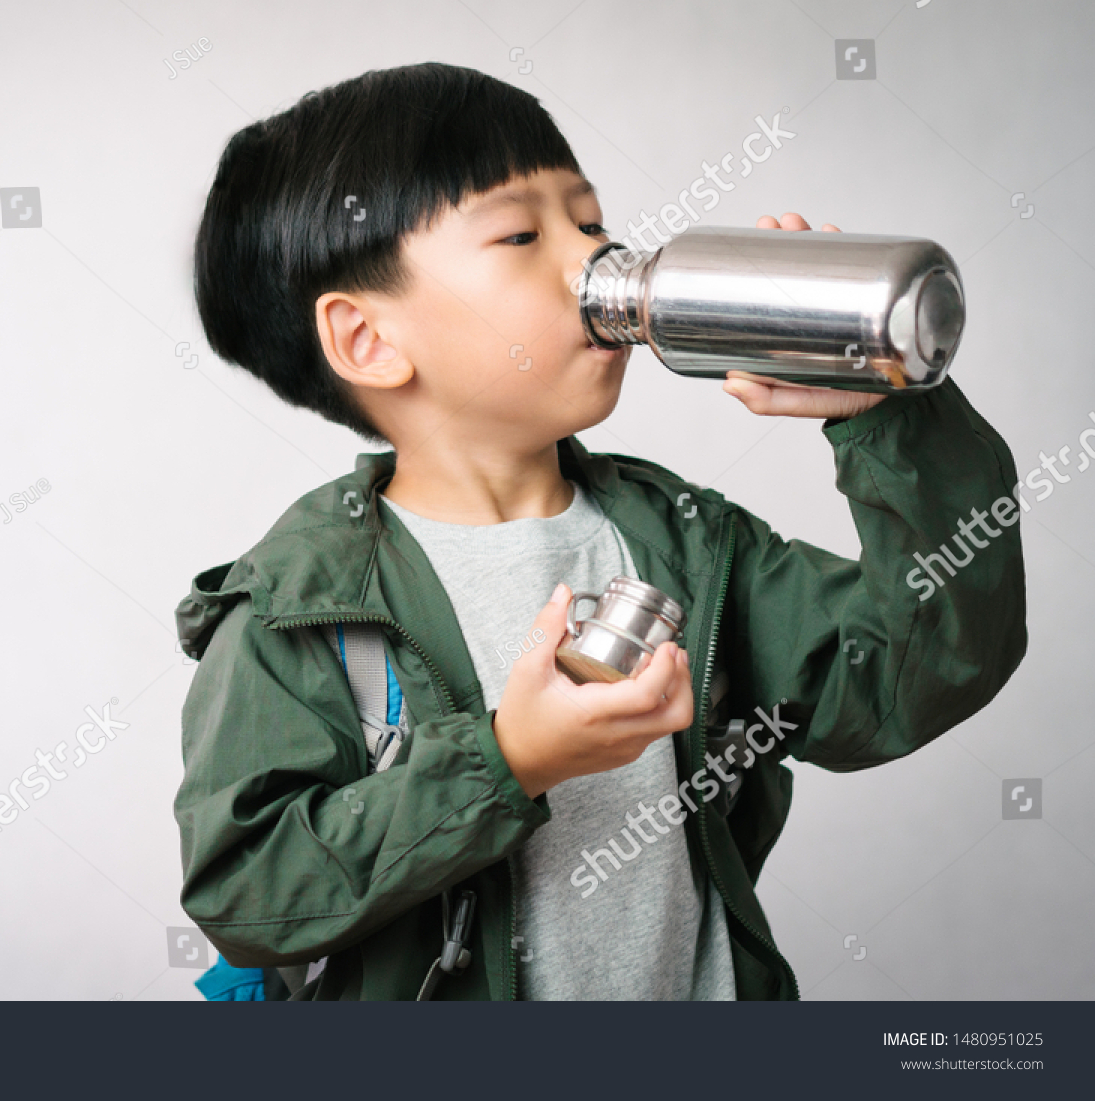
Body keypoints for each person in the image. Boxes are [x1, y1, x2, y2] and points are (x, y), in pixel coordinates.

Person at [171, 62, 1026, 1000]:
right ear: (369, 340)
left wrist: (889, 416)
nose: (594, 260)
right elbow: (250, 895)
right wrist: (510, 761)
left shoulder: (688, 543)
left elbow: (916, 672)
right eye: (520, 233)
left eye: (589, 222)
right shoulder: (302, 609)